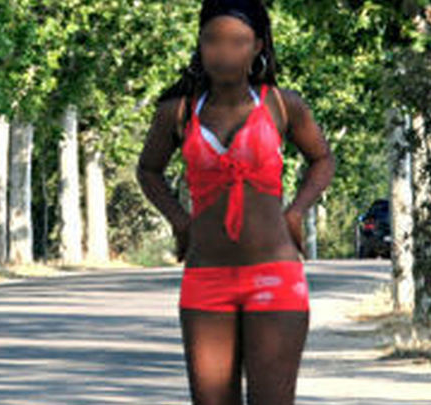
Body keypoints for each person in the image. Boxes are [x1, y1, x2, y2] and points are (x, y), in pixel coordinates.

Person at [136, 0, 335, 403]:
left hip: (274, 277)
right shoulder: (179, 112)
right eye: (212, 40)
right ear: (200, 44)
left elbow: (323, 159)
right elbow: (149, 170)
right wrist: (180, 221)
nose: (223, 52)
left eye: (238, 41)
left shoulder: (282, 105)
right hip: (206, 279)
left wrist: (296, 212)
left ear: (258, 45)